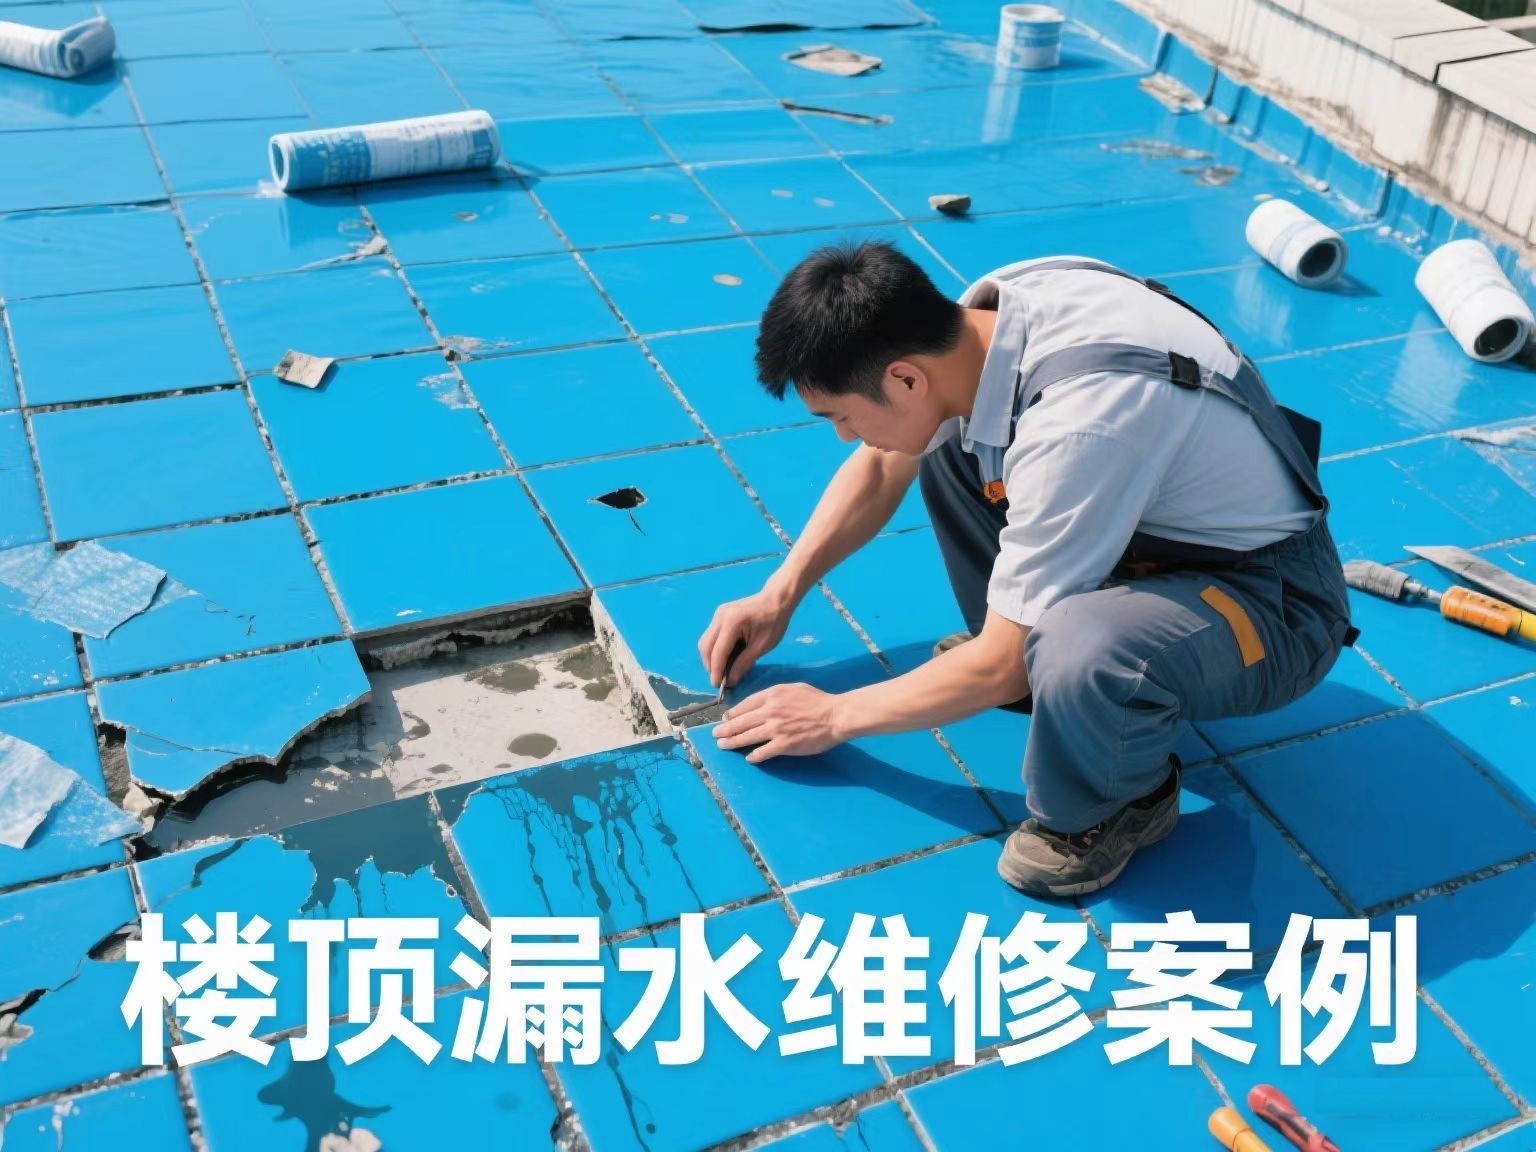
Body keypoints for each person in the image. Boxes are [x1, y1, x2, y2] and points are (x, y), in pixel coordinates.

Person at [697, 240, 1356, 899]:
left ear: (903, 379)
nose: (843, 435)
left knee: (1080, 646)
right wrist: (779, 594)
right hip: (1157, 534)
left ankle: (1119, 803)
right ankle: (1050, 678)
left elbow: (999, 666)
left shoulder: (1081, 422)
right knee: (944, 439)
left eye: (840, 416)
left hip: (1271, 603)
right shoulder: (983, 319)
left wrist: (833, 717)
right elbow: (881, 463)